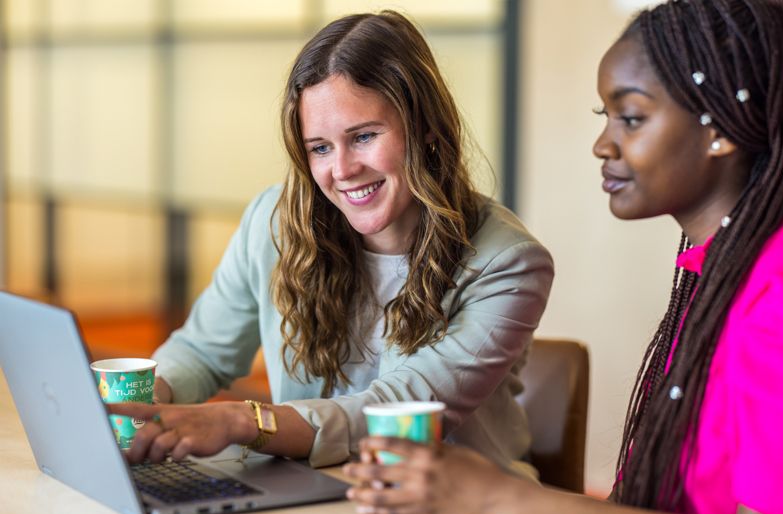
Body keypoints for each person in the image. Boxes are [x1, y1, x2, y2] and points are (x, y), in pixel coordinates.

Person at [344, 0, 783, 514]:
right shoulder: (722, 267)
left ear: (719, 127)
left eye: (630, 118)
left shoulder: (779, 285)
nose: (602, 144)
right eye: (603, 117)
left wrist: (495, 497)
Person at [110, 11, 553, 477]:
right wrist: (143, 407)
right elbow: (200, 352)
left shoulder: (509, 264)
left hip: (453, 510)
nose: (341, 170)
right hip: (310, 494)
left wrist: (244, 420)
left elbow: (393, 413)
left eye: (363, 137)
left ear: (425, 130)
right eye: (320, 147)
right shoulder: (273, 223)